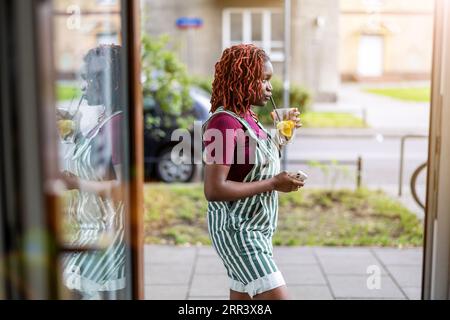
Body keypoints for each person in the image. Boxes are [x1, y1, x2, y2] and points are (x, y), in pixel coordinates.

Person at [202, 44, 303, 300]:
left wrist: (282, 133)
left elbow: (252, 160)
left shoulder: (248, 117)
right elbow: (214, 190)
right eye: (263, 79)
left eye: (270, 80)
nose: (270, 87)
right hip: (238, 231)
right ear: (242, 78)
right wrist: (274, 183)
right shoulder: (223, 122)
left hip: (256, 229)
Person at [59, 44, 126, 300]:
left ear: (112, 84)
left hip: (108, 237)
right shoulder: (105, 120)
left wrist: (77, 182)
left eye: (88, 78)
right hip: (88, 231)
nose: (82, 86)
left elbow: (122, 190)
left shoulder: (117, 126)